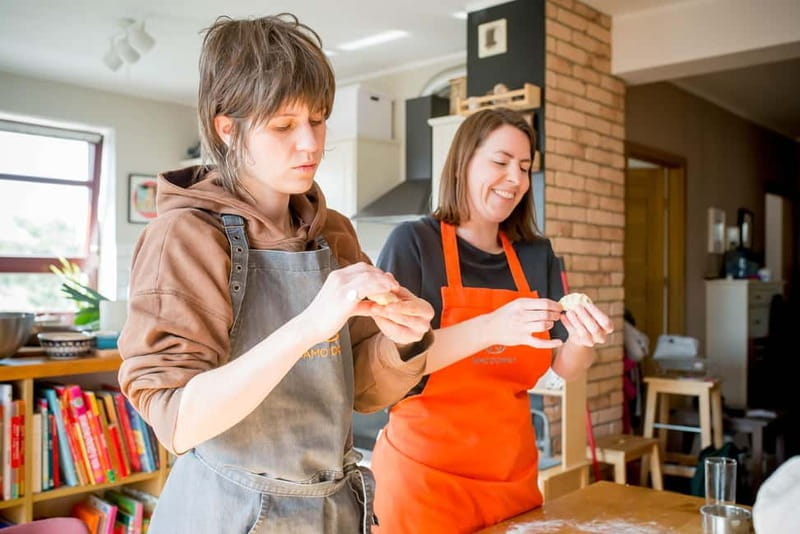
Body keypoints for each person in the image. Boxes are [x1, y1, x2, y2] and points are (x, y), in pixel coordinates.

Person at [117, 14, 434, 534]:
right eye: (284, 125)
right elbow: (178, 419)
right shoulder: (185, 237)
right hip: (227, 513)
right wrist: (311, 325)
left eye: (318, 119)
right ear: (227, 126)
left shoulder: (332, 231)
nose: (310, 144)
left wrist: (402, 344)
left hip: (332, 510)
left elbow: (362, 391)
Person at [370, 108, 615, 533]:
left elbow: (565, 369)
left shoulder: (537, 256)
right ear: (463, 163)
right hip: (424, 483)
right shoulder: (414, 244)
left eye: (524, 168)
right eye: (500, 162)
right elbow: (391, 368)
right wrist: (494, 327)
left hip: (512, 482)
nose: (515, 180)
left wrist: (583, 339)